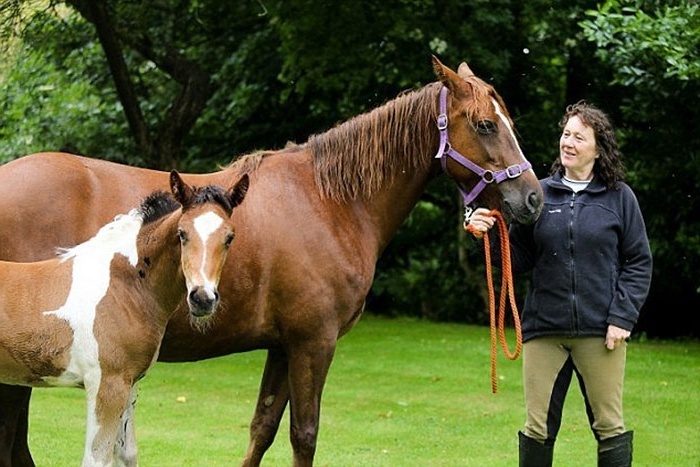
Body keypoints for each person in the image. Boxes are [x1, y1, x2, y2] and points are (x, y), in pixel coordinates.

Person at [468, 101, 652, 466]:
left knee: (610, 427)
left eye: (579, 137)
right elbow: (516, 259)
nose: (568, 142)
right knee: (537, 429)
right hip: (544, 332)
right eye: (566, 134)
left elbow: (638, 262)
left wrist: (622, 317)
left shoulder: (620, 199)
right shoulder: (540, 193)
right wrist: (486, 237)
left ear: (598, 150)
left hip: (601, 332)